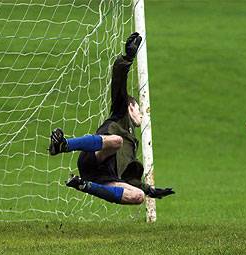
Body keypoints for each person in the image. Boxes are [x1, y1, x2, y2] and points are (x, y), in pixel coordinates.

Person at [49, 32, 174, 205]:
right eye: (140, 110)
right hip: (94, 158)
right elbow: (118, 82)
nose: (142, 115)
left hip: (103, 178)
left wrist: (150, 190)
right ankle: (63, 145)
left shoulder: (132, 143)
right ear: (131, 107)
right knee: (116, 141)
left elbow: (127, 179)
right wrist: (127, 58)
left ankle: (84, 185)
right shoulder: (121, 112)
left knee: (137, 197)